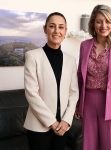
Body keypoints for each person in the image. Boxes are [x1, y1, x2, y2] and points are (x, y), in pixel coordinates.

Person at [75, 4, 111, 150]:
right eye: (99, 21)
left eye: (107, 21)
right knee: (88, 146)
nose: (103, 25)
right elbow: (80, 77)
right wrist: (77, 104)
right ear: (93, 23)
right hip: (87, 103)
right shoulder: (84, 45)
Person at [24, 12, 79, 150]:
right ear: (45, 29)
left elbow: (74, 93)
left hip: (63, 126)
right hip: (38, 126)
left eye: (61, 27)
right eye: (52, 26)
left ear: (65, 31)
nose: (56, 31)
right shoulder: (32, 56)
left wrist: (66, 120)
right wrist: (52, 123)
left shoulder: (71, 60)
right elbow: (31, 94)